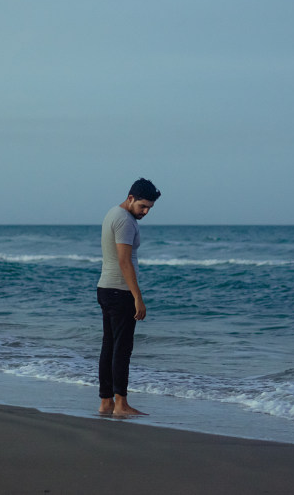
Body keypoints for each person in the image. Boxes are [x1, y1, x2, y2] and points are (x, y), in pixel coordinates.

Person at [97, 177, 161, 416]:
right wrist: (138, 297)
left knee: (109, 346)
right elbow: (124, 261)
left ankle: (106, 402)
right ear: (130, 198)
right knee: (122, 349)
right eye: (142, 206)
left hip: (106, 288)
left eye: (149, 208)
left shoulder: (113, 213)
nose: (145, 212)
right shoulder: (125, 221)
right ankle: (121, 404)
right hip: (119, 291)